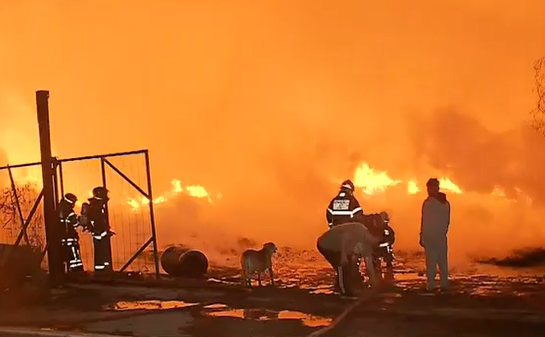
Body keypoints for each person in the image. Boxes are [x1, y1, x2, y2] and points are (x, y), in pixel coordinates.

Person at [317, 222, 380, 298]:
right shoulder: (359, 229)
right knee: (342, 266)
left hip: (338, 246)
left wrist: (373, 281)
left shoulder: (367, 243)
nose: (374, 243)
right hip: (326, 244)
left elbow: (368, 263)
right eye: (375, 241)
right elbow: (344, 237)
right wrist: (343, 256)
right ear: (371, 235)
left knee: (349, 267)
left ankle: (344, 286)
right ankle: (344, 292)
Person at [420, 178, 451, 291]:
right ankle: (439, 284)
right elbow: (425, 220)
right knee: (438, 262)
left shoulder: (431, 203)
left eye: (430, 188)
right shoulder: (444, 203)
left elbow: (426, 221)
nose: (428, 190)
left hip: (434, 237)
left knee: (435, 262)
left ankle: (435, 285)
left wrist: (424, 235)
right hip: (437, 237)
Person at [81, 186, 113, 273]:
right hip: (99, 236)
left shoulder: (98, 205)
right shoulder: (96, 207)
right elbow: (98, 222)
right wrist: (103, 232)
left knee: (103, 255)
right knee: (100, 255)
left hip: (101, 235)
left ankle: (105, 272)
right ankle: (101, 274)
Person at [57, 193, 83, 272]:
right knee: (74, 258)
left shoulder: (59, 208)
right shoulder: (69, 211)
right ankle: (76, 272)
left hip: (61, 238)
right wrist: (81, 220)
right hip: (70, 238)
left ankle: (62, 272)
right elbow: (75, 223)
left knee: (63, 256)